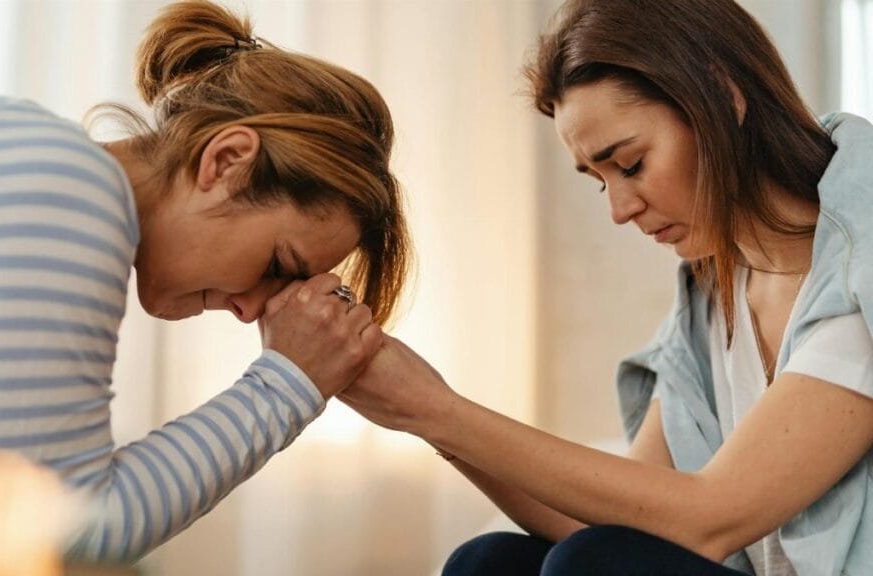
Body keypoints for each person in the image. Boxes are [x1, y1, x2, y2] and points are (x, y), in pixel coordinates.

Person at [0, 0, 409, 562]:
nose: (250, 312)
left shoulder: (35, 161)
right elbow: (65, 535)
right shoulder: (66, 189)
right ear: (227, 162)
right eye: (277, 268)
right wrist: (289, 383)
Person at [338, 0, 873, 574]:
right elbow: (624, 517)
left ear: (724, 96)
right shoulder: (710, 293)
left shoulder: (858, 263)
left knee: (594, 563)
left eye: (631, 163)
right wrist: (425, 418)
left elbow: (709, 518)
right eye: (600, 182)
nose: (620, 210)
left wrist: (436, 409)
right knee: (490, 561)